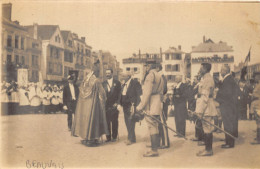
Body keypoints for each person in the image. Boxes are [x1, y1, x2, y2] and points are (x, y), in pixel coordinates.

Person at [71, 61, 109, 147]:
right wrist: (104, 99)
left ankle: (86, 138)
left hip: (84, 105)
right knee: (93, 120)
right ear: (96, 71)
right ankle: (91, 139)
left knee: (86, 119)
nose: (99, 73)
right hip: (93, 105)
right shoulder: (96, 81)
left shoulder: (85, 79)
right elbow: (102, 93)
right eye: (99, 71)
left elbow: (81, 90)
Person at [136, 60, 165, 157]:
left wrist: (140, 106)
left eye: (146, 65)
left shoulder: (150, 75)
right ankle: (155, 147)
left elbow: (147, 93)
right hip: (157, 103)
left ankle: (154, 150)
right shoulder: (159, 75)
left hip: (151, 103)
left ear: (150, 66)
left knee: (152, 126)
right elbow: (161, 92)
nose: (146, 67)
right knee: (155, 126)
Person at [195, 63, 219, 156]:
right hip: (206, 106)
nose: (200, 70)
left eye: (201, 68)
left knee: (207, 128)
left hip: (206, 107)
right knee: (206, 128)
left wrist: (200, 111)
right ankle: (207, 149)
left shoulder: (207, 79)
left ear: (205, 69)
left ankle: (208, 150)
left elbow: (205, 96)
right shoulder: (206, 78)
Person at [216, 65, 238, 149]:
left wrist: (218, 96)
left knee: (228, 123)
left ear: (225, 71)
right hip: (228, 105)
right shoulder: (228, 79)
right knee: (228, 123)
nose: (220, 72)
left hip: (227, 105)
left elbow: (227, 93)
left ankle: (229, 143)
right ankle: (228, 141)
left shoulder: (228, 80)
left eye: (221, 70)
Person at [119, 72, 142, 145]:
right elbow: (121, 94)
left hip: (131, 105)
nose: (122, 77)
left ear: (128, 76)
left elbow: (139, 94)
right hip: (125, 106)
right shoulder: (123, 84)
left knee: (131, 122)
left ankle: (130, 139)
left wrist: (137, 105)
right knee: (127, 122)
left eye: (123, 76)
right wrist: (119, 103)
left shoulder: (135, 83)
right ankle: (133, 138)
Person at [102, 69, 121, 142]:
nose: (107, 74)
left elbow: (120, 94)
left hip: (114, 105)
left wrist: (117, 103)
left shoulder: (117, 83)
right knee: (107, 122)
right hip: (106, 106)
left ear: (112, 73)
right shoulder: (103, 83)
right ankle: (108, 137)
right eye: (106, 73)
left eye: (109, 73)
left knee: (114, 121)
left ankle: (114, 136)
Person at [157, 64, 170, 149]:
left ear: (157, 68)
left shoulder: (161, 77)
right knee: (158, 123)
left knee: (162, 122)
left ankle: (165, 143)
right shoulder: (159, 76)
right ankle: (158, 142)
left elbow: (164, 90)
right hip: (158, 101)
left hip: (161, 102)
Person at [250, 78, 260, 145]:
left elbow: (255, 95)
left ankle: (258, 139)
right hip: (257, 104)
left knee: (259, 122)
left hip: (258, 105)